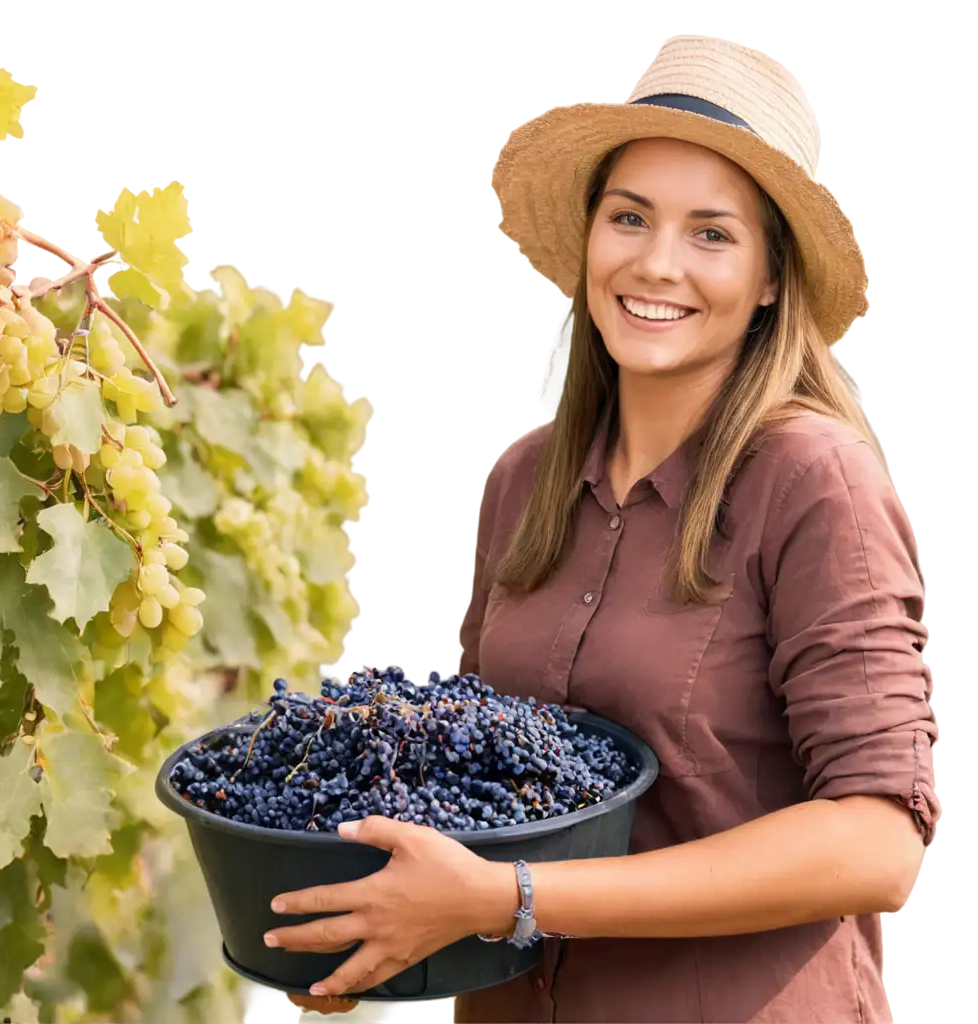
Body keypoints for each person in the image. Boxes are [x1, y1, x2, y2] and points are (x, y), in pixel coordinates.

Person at [269, 36, 939, 1023]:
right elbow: (457, 773)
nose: (655, 262)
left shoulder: (812, 481)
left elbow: (879, 845)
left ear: (767, 278)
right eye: (630, 217)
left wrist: (513, 899)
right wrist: (370, 930)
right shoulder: (522, 480)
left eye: (711, 233)